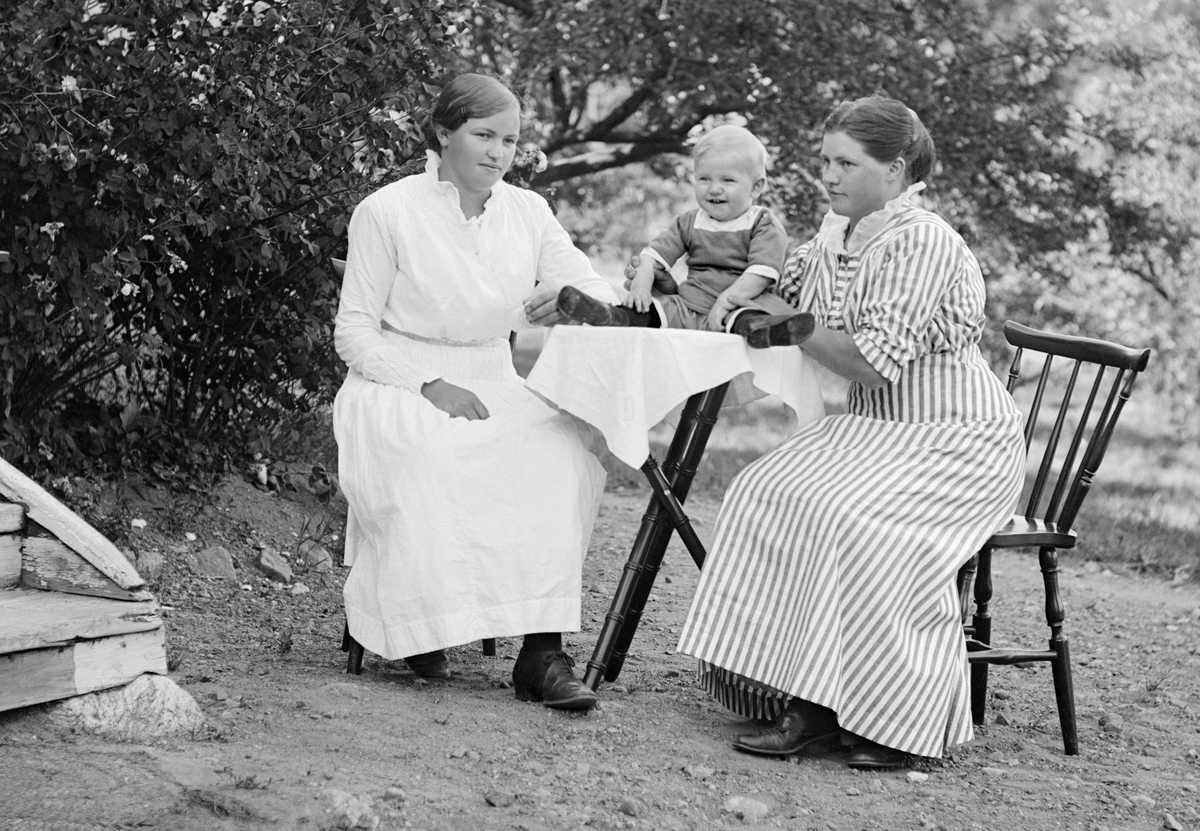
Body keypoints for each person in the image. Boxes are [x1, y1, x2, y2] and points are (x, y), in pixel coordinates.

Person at [675, 95, 1027, 768]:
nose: (829, 176)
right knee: (765, 490)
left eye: (846, 163)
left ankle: (882, 720)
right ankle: (790, 689)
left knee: (855, 520)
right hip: (877, 431)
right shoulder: (836, 237)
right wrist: (733, 298)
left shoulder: (919, 239)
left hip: (956, 440)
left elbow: (872, 360)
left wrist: (791, 326)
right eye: (825, 161)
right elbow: (779, 292)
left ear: (895, 170)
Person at [333, 73, 620, 711]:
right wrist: (427, 384)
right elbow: (353, 330)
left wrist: (569, 299)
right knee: (436, 452)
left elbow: (597, 290)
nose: (498, 153)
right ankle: (421, 621)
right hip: (397, 377)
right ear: (444, 133)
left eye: (510, 141)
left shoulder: (528, 211)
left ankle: (541, 654)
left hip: (493, 373)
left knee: (563, 451)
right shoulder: (387, 210)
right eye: (484, 135)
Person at [556, 124, 815, 349]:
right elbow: (651, 258)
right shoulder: (689, 222)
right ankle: (610, 315)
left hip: (737, 305)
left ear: (756, 186)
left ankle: (770, 331)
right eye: (704, 179)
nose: (714, 189)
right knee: (650, 310)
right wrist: (641, 289)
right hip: (688, 306)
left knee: (749, 318)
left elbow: (760, 274)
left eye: (727, 180)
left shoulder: (762, 223)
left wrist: (724, 302)